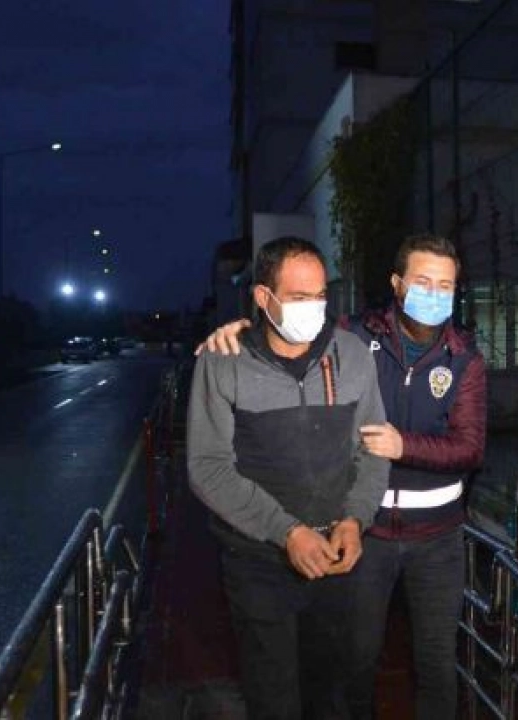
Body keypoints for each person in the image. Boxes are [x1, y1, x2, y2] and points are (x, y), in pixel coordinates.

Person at [201, 233, 487, 719]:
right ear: (397, 284)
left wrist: (403, 445)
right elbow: (290, 330)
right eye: (423, 282)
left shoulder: (464, 359)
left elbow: (470, 447)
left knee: (438, 663)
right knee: (355, 662)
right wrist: (241, 329)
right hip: (364, 533)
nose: (435, 294)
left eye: (446, 286)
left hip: (438, 539)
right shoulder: (355, 337)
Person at [186, 236, 390, 720]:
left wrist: (355, 520)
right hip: (258, 562)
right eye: (299, 297)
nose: (314, 309)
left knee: (333, 695)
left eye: (320, 296)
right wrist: (286, 531)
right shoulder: (222, 361)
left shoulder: (353, 355)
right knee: (272, 697)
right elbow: (207, 467)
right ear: (263, 297)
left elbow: (373, 449)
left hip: (336, 558)